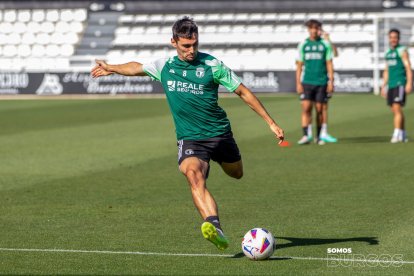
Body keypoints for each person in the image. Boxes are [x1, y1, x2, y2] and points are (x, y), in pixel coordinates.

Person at [91, 17, 285, 250]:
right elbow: (136, 67)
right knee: (194, 175)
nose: (191, 50)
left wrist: (271, 123)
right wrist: (112, 68)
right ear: (173, 42)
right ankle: (215, 228)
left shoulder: (212, 65)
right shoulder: (165, 66)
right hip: (191, 138)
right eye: (185, 46)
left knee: (237, 173)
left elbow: (243, 92)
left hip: (220, 134)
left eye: (194, 44)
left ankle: (218, 175)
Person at [296, 19, 335, 145]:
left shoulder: (325, 44)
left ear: (319, 29)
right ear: (308, 29)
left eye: (316, 28)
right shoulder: (303, 44)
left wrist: (331, 81)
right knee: (306, 108)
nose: (314, 30)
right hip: (307, 81)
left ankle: (319, 136)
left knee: (319, 109)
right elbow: (299, 65)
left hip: (321, 81)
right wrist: (298, 82)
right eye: (311, 28)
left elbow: (329, 63)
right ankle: (306, 135)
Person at [381, 29, 412, 143]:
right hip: (391, 84)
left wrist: (409, 83)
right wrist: (383, 85)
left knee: (397, 107)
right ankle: (403, 133)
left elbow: (408, 68)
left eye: (395, 37)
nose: (393, 39)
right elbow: (386, 70)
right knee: (395, 110)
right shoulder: (388, 53)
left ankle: (396, 133)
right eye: (391, 37)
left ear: (398, 38)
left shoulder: (402, 51)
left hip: (400, 83)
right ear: (389, 39)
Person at [319, 30, 338, 143]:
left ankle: (323, 132)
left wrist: (329, 40)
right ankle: (309, 133)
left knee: (323, 106)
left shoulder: (326, 44)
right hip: (311, 80)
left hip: (323, 79)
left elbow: (335, 54)